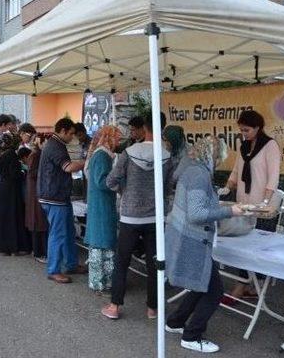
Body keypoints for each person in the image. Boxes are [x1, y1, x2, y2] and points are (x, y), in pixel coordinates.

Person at [165, 137, 244, 353]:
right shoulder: (200, 174)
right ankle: (192, 336)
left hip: (183, 236)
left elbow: (195, 203)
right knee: (215, 290)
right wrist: (231, 211)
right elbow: (198, 214)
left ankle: (175, 322)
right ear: (212, 155)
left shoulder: (191, 168)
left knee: (202, 283)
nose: (219, 162)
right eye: (219, 158)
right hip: (193, 239)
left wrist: (215, 198)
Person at [101, 112, 171, 320]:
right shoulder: (166, 155)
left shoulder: (129, 152)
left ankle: (114, 306)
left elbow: (111, 181)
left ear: (144, 127)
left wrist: (125, 191)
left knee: (122, 261)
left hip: (130, 216)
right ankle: (153, 308)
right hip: (155, 217)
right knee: (154, 263)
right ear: (162, 128)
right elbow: (168, 188)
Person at [218, 110, 281, 301]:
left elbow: (273, 175)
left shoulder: (270, 145)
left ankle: (243, 285)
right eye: (241, 130)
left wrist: (265, 201)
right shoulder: (243, 146)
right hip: (243, 201)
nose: (243, 133)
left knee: (256, 247)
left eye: (246, 130)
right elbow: (237, 170)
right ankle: (248, 285)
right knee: (242, 242)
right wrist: (227, 187)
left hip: (262, 203)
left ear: (257, 127)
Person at [38, 118, 86, 284]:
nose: (73, 137)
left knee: (69, 231)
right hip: (53, 197)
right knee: (58, 234)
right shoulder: (55, 146)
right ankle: (54, 270)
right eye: (71, 133)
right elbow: (68, 167)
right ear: (63, 131)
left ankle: (71, 264)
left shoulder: (56, 144)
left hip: (59, 196)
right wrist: (87, 162)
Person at [84, 125, 121, 293]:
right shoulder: (102, 156)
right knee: (102, 243)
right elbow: (101, 181)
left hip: (100, 204)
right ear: (109, 138)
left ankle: (103, 281)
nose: (118, 142)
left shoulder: (101, 154)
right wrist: (118, 181)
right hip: (102, 205)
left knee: (102, 243)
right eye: (117, 138)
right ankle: (101, 282)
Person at [0, 133, 31, 256]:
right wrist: (23, 173)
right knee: (13, 217)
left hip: (2, 187)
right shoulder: (11, 155)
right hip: (11, 189)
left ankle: (4, 246)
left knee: (4, 218)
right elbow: (15, 174)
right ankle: (14, 247)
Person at [24, 135, 48, 263]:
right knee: (38, 222)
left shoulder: (37, 154)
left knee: (39, 222)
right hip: (36, 193)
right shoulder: (36, 155)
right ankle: (39, 252)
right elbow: (33, 173)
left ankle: (39, 251)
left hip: (36, 191)